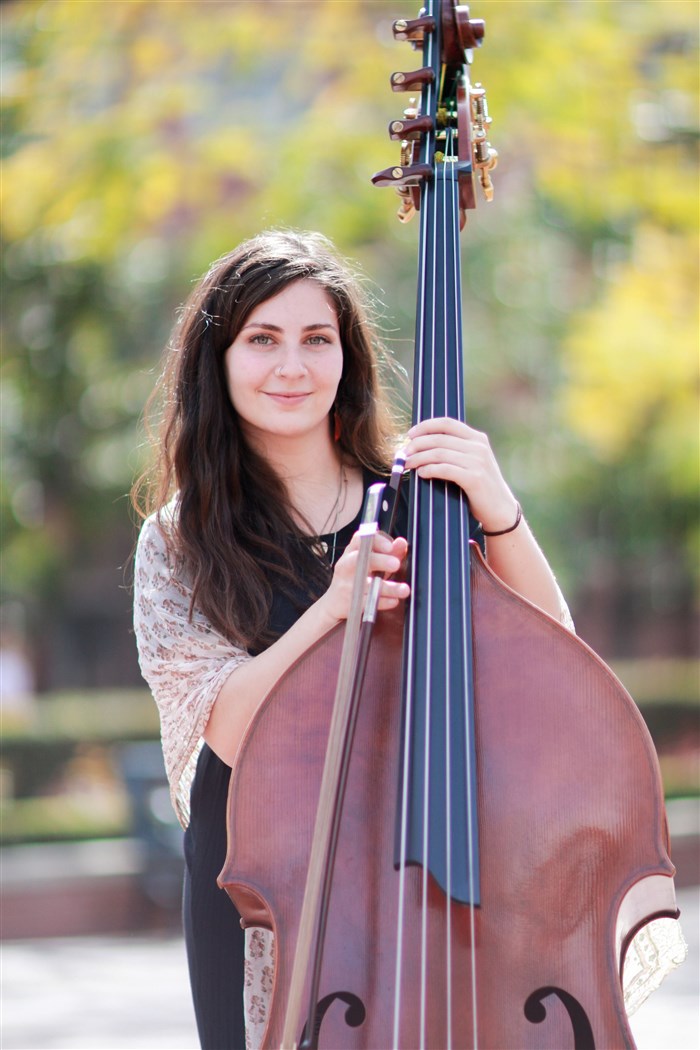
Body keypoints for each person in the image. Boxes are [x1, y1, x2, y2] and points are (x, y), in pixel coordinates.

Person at [132, 229, 576, 1049]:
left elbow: (554, 659)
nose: (291, 366)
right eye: (262, 339)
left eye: (316, 339)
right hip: (258, 881)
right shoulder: (178, 539)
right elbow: (220, 728)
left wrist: (497, 506)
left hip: (424, 857)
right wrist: (332, 609)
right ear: (219, 360)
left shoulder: (427, 505)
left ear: (347, 358)